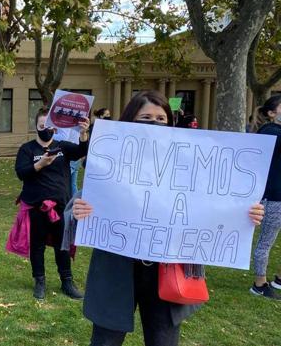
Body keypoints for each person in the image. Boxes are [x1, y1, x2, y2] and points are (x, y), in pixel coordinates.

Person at [71, 91, 265, 346]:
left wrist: (243, 213)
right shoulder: (109, 159)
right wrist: (77, 209)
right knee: (106, 340)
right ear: (130, 120)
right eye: (146, 117)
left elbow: (212, 204)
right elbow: (84, 201)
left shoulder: (190, 163)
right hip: (116, 268)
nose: (154, 123)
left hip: (167, 270)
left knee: (163, 340)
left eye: (161, 118)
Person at [14, 108, 89, 300]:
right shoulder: (27, 149)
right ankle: (39, 281)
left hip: (60, 205)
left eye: (49, 126)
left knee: (62, 245)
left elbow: (82, 151)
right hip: (36, 206)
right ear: (36, 127)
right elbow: (21, 172)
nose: (45, 129)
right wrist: (40, 165)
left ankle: (67, 281)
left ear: (55, 128)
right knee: (37, 245)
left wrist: (83, 133)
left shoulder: (62, 147)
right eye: (41, 126)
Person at [249, 95, 281, 299]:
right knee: (266, 240)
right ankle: (259, 283)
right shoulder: (270, 131)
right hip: (275, 196)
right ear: (271, 113)